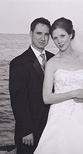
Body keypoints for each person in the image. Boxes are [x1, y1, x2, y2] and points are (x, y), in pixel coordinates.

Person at [34, 17, 83, 154]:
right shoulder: (52, 63)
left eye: (62, 36)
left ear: (71, 35)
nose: (59, 41)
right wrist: (73, 93)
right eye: (55, 38)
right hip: (60, 116)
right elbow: (46, 98)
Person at [9, 17, 54, 154]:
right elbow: (18, 101)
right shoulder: (18, 63)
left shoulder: (54, 59)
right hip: (30, 131)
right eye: (39, 33)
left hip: (52, 127)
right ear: (31, 34)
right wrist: (26, 130)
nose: (43, 38)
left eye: (46, 34)